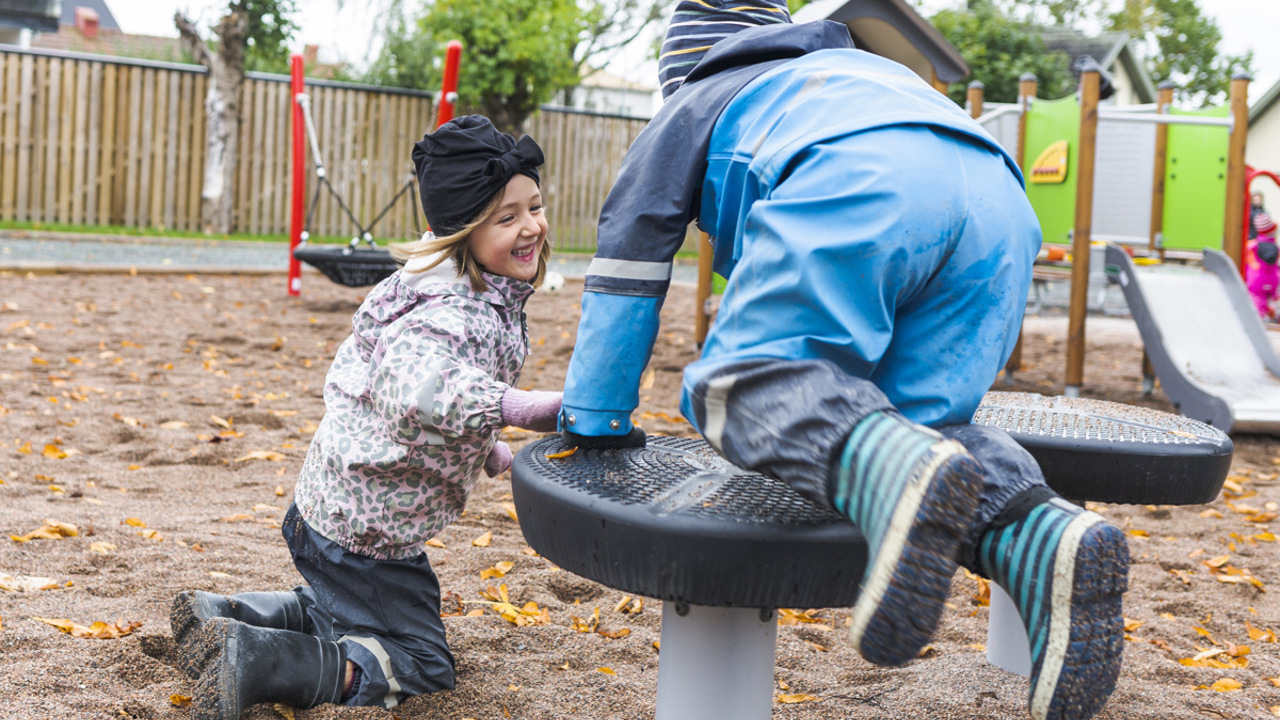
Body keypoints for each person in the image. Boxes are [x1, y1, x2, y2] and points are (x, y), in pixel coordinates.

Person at [558, 3, 1128, 720]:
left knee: (740, 384)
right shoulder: (852, 72)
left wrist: (595, 418)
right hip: (1002, 205)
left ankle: (902, 473)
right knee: (918, 425)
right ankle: (1041, 532)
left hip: (864, 174)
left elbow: (627, 269)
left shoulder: (692, 102)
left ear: (682, 70)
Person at [169, 115, 564, 720]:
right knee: (423, 664)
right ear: (462, 231)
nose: (531, 226)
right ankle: (257, 658)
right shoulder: (452, 311)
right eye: (506, 218)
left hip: (334, 509)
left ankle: (229, 614)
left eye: (534, 207)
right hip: (369, 536)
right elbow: (416, 385)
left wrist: (483, 442)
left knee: (349, 613)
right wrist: (515, 407)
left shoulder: (438, 284)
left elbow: (399, 387)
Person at [1248, 211, 1279, 321]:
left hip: (1257, 282)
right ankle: (1272, 310)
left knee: (1257, 306)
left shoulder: (1253, 246)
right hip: (1273, 281)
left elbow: (1249, 261)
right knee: (1271, 300)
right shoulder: (1276, 247)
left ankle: (1259, 319)